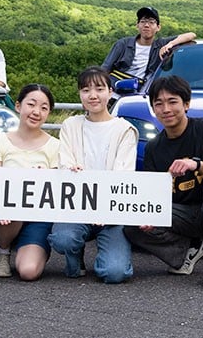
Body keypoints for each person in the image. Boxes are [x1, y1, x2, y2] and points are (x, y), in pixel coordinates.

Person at [124, 75, 203, 290]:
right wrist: (149, 216)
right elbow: (153, 193)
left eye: (172, 102)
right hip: (182, 215)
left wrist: (195, 164)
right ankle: (187, 251)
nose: (166, 109)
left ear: (186, 104)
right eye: (158, 104)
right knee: (131, 224)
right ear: (153, 109)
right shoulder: (154, 148)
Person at [48, 67, 137, 284]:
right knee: (62, 239)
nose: (92, 95)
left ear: (110, 91)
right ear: (79, 94)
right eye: (86, 90)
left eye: (99, 89)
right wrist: (71, 170)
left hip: (113, 211)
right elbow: (65, 162)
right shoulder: (71, 125)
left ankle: (108, 256)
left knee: (114, 273)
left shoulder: (125, 129)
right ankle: (75, 259)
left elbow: (123, 174)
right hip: (78, 207)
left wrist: (105, 209)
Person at [0, 84, 61, 280]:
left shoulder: (56, 146)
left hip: (39, 216)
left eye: (44, 108)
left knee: (29, 272)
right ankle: (3, 251)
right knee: (14, 201)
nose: (36, 112)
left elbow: (56, 189)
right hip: (6, 215)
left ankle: (32, 247)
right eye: (31, 104)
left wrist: (44, 176)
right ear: (18, 106)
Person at [101, 6, 196, 86]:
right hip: (116, 88)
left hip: (143, 90)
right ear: (137, 25)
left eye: (151, 22)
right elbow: (105, 69)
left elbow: (191, 35)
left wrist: (170, 44)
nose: (146, 25)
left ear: (158, 27)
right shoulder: (123, 44)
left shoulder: (160, 44)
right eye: (143, 21)